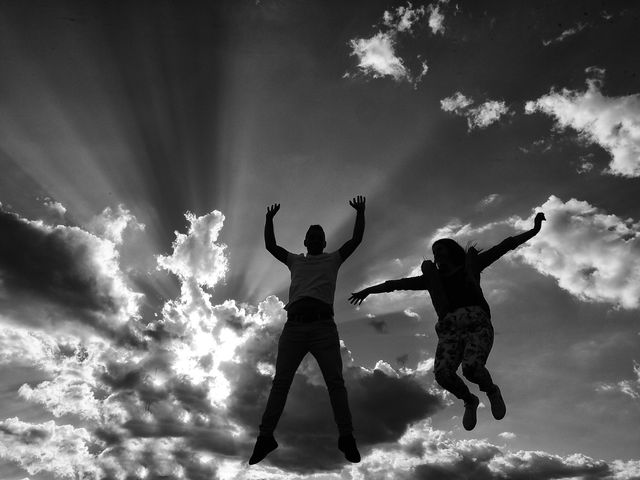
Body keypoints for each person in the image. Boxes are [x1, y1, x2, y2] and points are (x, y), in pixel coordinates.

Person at [349, 212, 546, 431]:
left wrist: (534, 229)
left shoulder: (471, 266)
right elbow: (396, 284)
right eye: (434, 252)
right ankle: (469, 401)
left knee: (471, 368)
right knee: (443, 375)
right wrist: (368, 290)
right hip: (450, 330)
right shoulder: (433, 279)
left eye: (440, 249)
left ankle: (491, 391)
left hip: (476, 323)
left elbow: (505, 245)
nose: (437, 254)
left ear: (451, 250)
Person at [249, 196, 366, 465]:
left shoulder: (333, 259)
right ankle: (265, 437)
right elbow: (270, 246)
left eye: (319, 236)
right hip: (294, 328)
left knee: (336, 383)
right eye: (311, 235)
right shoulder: (295, 261)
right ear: (305, 242)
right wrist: (269, 219)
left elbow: (355, 240)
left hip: (323, 327)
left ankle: (346, 436)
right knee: (280, 383)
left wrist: (360, 213)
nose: (314, 238)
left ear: (324, 242)